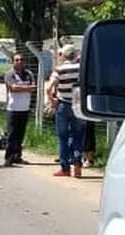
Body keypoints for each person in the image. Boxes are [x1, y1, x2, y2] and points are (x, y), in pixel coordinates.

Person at [47, 44, 85, 178]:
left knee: (63, 138)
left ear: (63, 55)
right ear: (75, 55)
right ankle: (77, 165)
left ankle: (65, 168)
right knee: (78, 136)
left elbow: (48, 88)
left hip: (63, 104)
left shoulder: (59, 69)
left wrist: (52, 100)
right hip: (78, 105)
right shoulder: (81, 68)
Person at [3, 53, 37, 167]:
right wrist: (26, 88)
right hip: (13, 109)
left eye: (21, 59)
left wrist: (21, 88)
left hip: (24, 108)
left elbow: (34, 88)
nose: (19, 62)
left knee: (20, 135)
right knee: (11, 135)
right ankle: (8, 158)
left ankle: (17, 156)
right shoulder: (10, 74)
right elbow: (13, 88)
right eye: (17, 60)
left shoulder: (29, 74)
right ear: (13, 61)